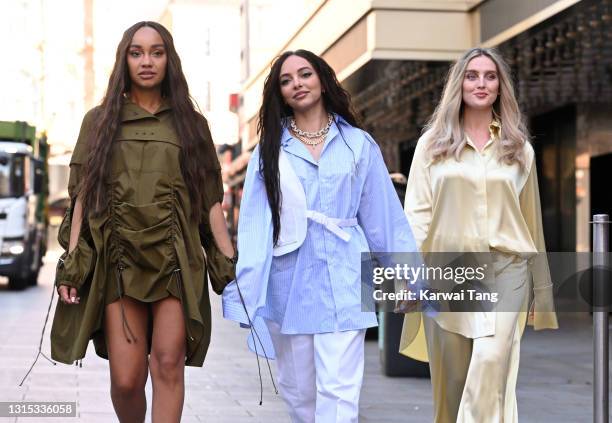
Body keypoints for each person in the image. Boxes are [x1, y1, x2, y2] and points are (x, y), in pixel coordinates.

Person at [49, 21, 235, 423]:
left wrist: (227, 262)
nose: (147, 61)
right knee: (126, 380)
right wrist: (72, 265)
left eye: (156, 52)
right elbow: (81, 197)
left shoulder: (191, 124)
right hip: (120, 261)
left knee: (168, 365)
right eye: (136, 52)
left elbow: (209, 204)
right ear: (124, 60)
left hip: (174, 259)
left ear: (169, 59)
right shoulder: (98, 122)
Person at [222, 49, 420, 422]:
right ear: (279, 93)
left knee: (341, 392)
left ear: (323, 80)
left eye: (305, 74)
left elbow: (383, 217)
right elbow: (253, 226)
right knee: (299, 394)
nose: (297, 83)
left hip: (347, 275)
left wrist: (407, 275)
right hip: (290, 282)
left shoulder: (358, 144)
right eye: (286, 79)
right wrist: (245, 289)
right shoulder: (269, 152)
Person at [399, 47, 558, 423]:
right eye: (472, 75)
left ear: (501, 87)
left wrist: (542, 290)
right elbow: (417, 215)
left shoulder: (520, 150)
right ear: (459, 84)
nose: (481, 83)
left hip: (508, 271)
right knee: (452, 385)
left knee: (491, 363)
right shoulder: (432, 146)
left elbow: (530, 222)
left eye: (490, 76)